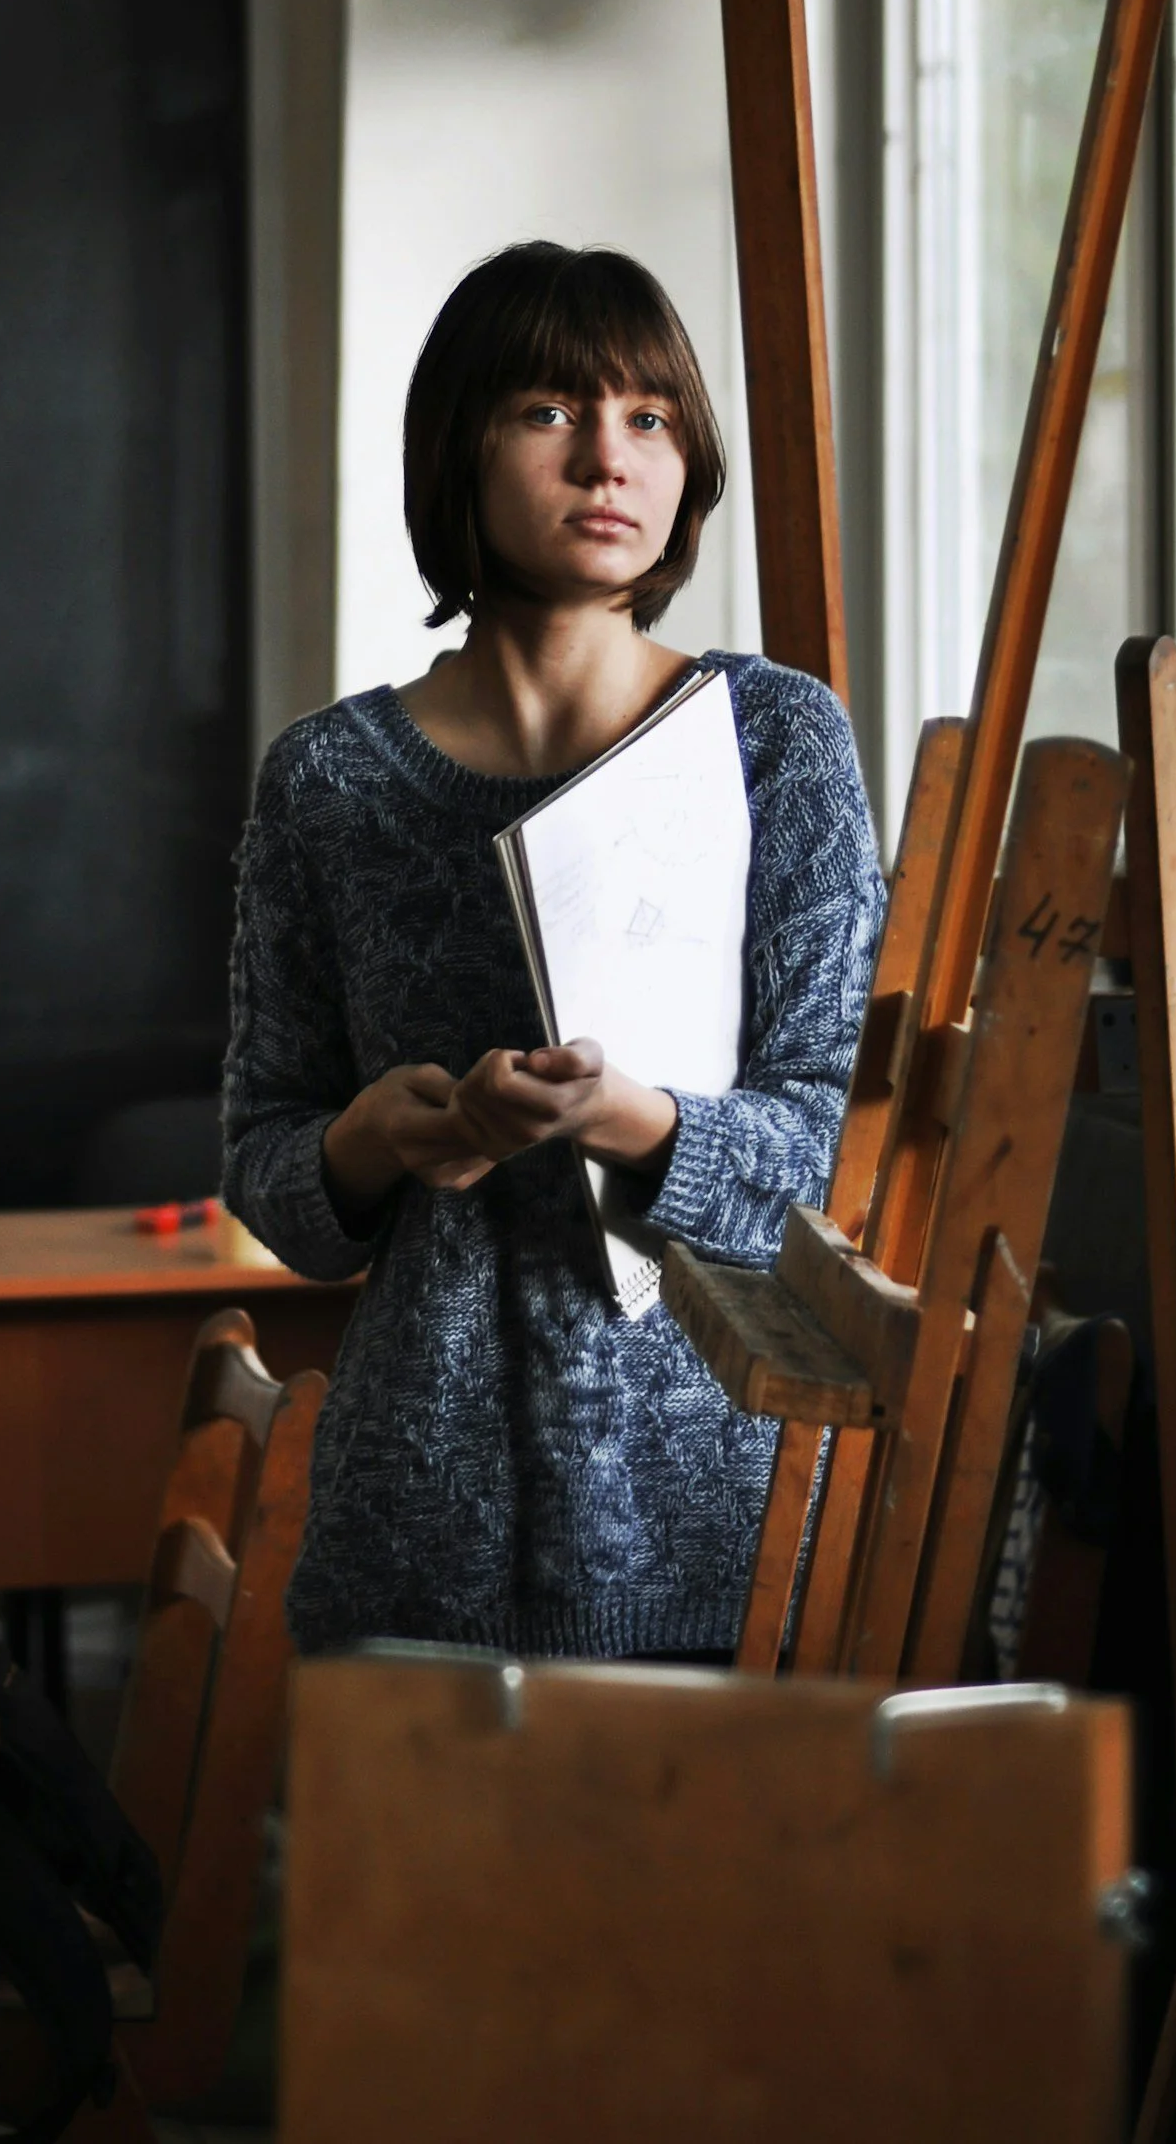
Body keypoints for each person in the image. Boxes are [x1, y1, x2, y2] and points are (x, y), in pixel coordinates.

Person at [222, 240, 885, 1660]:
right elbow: (268, 1169)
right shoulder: (328, 782)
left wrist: (622, 1119)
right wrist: (380, 1141)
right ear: (457, 448)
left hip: (726, 1521)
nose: (608, 460)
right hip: (414, 1534)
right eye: (548, 413)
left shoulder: (775, 743)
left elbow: (830, 1153)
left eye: (648, 419)